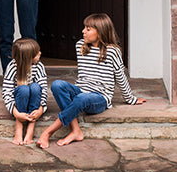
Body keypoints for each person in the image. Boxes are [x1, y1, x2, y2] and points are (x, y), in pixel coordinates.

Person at [37, 12, 146, 148]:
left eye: (88, 29)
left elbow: (120, 76)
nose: (83, 31)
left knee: (82, 98)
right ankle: (76, 130)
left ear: (100, 33)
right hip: (81, 90)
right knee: (57, 85)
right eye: (84, 28)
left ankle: (48, 132)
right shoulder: (80, 46)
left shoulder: (112, 51)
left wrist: (131, 99)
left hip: (99, 98)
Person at [2, 37, 47, 145]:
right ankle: (19, 126)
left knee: (35, 87)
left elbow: (43, 89)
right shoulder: (13, 67)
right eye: (36, 53)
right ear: (27, 58)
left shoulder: (39, 66)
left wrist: (41, 109)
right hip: (20, 101)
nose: (40, 53)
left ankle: (31, 127)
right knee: (23, 89)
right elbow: (7, 92)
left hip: (34, 101)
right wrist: (16, 113)